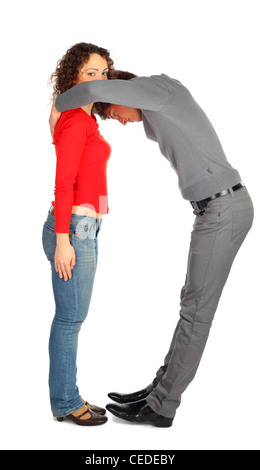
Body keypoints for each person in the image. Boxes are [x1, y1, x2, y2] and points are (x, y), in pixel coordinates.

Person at [49, 71, 254, 427]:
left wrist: (57, 104)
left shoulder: (156, 89)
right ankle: (157, 390)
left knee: (196, 314)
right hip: (214, 209)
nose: (121, 122)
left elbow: (95, 87)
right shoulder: (157, 102)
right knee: (190, 306)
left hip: (224, 209)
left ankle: (162, 405)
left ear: (123, 90)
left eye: (113, 113)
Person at [42, 42, 114, 425]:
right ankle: (67, 402)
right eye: (91, 72)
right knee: (70, 319)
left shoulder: (83, 119)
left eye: (104, 73)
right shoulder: (76, 121)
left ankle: (68, 394)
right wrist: (64, 240)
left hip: (85, 227)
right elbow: (63, 183)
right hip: (73, 230)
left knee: (72, 317)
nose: (100, 79)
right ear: (74, 76)